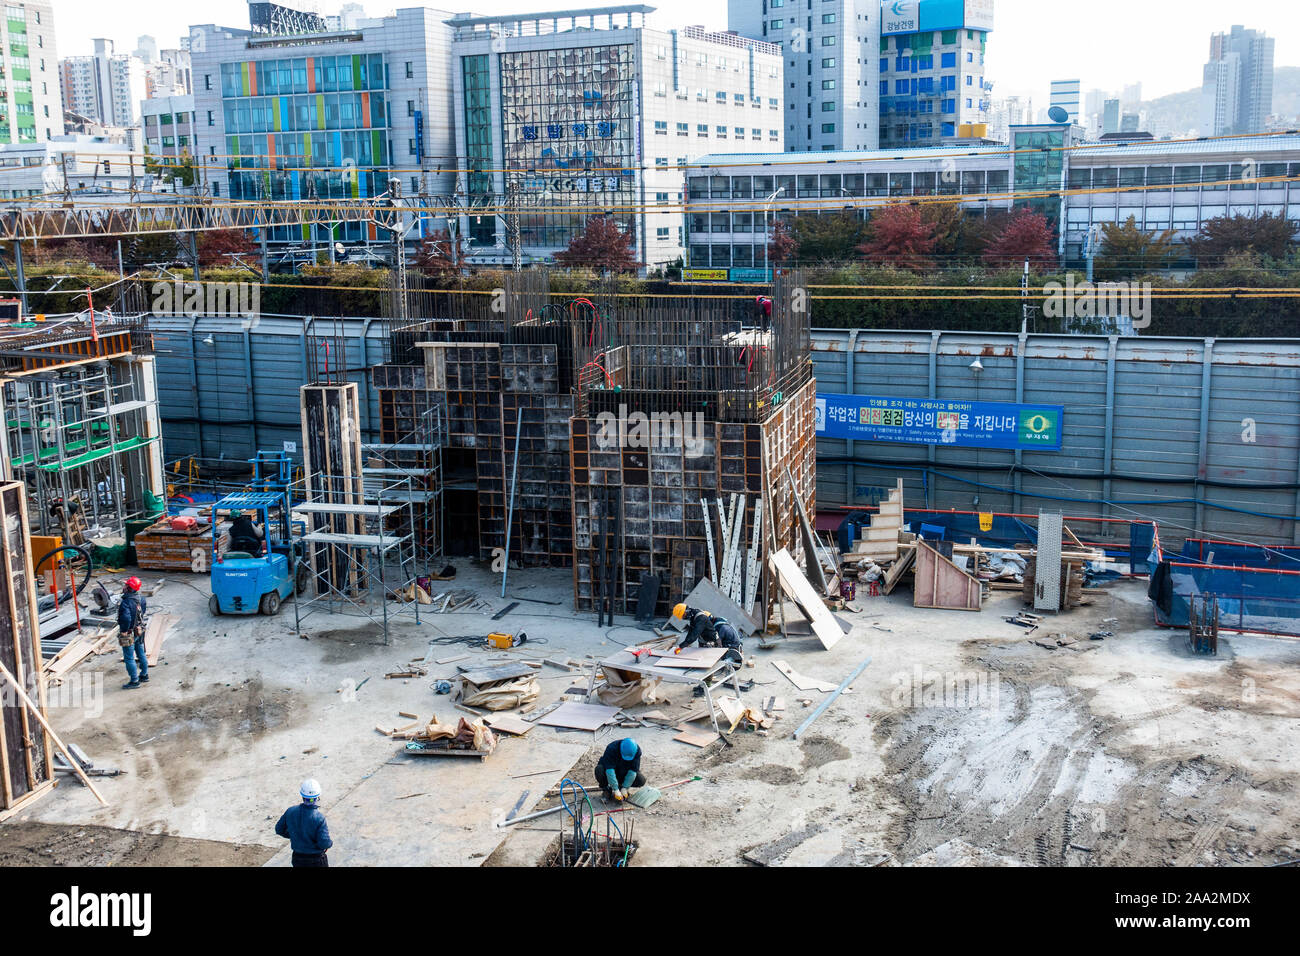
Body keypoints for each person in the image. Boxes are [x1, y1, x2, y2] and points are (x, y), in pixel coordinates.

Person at [275, 779, 333, 867]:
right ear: (318, 797)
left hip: (297, 859)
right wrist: (329, 843)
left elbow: (279, 829)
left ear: (302, 795)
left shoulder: (290, 811)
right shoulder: (319, 818)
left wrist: (294, 835)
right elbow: (324, 843)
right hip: (316, 860)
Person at [671, 603, 744, 666]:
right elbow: (691, 631)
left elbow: (694, 635)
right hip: (714, 639)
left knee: (711, 656)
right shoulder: (694, 616)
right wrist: (684, 644)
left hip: (723, 643)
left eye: (683, 616)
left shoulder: (704, 620)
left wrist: (681, 646)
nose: (684, 618)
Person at [117, 577, 149, 690]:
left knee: (129, 658)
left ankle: (134, 681)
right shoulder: (141, 599)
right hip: (139, 630)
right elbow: (142, 612)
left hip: (130, 632)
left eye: (126, 585)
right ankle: (144, 675)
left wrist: (124, 631)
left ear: (129, 588)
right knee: (141, 653)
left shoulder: (126, 602)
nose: (124, 586)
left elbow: (126, 618)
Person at [594, 738, 645, 802]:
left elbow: (633, 771)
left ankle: (621, 787)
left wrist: (625, 787)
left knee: (641, 779)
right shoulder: (611, 748)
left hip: (623, 772)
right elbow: (610, 771)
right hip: (610, 772)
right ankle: (607, 790)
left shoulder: (636, 751)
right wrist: (615, 789)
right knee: (599, 770)